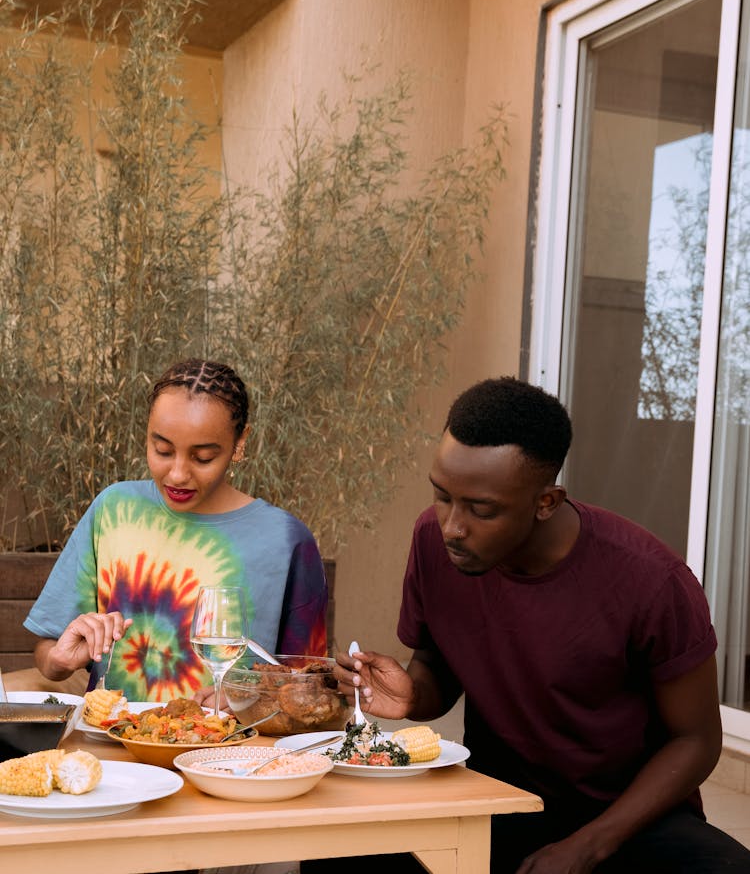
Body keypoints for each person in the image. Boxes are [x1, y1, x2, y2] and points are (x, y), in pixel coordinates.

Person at [309, 377, 750, 874]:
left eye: (482, 509)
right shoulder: (434, 540)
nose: (453, 525)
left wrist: (588, 847)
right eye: (442, 496)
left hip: (627, 820)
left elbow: (697, 741)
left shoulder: (651, 581)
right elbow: (437, 663)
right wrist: (413, 695)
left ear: (546, 503)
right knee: (336, 857)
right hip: (499, 799)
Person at [24, 358, 328, 702]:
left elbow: (310, 689)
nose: (178, 474)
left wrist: (250, 698)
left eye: (202, 458)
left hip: (227, 753)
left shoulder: (287, 541)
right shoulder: (114, 510)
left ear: (240, 442)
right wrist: (58, 661)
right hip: (107, 748)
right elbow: (47, 653)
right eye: (163, 450)